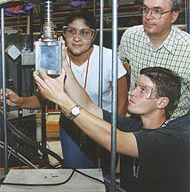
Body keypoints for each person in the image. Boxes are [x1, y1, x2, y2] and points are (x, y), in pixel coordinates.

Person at [1, 9, 128, 171]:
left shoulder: (108, 58)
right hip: (71, 125)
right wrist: (20, 101)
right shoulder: (55, 58)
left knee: (102, 174)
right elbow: (44, 99)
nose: (76, 38)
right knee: (76, 174)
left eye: (84, 32)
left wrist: (115, 131)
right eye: (71, 31)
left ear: (93, 35)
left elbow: (122, 102)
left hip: (104, 123)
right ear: (64, 34)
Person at [33, 63, 190, 192]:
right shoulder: (134, 126)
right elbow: (88, 106)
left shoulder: (173, 138)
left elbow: (114, 140)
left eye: (143, 90)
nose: (132, 93)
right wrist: (65, 66)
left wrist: (62, 100)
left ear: (162, 102)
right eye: (135, 86)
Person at [119, 0, 190, 128]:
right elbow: (125, 69)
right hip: (138, 120)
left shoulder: (187, 48)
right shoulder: (130, 37)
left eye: (157, 11)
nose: (148, 16)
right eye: (145, 9)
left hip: (176, 125)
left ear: (174, 16)